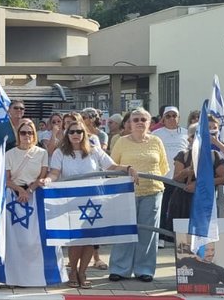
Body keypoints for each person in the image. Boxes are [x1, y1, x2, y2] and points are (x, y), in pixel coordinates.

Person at [45, 119, 135, 288]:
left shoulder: (94, 151)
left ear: (84, 134)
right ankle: (73, 271)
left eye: (79, 131)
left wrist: (128, 168)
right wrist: (48, 179)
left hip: (93, 201)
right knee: (76, 239)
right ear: (67, 134)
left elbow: (112, 166)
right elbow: (55, 172)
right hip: (71, 201)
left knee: (89, 238)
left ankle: (82, 271)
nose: (75, 135)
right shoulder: (60, 153)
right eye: (71, 132)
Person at [109, 108, 170, 282]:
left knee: (148, 233)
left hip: (152, 192)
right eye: (135, 120)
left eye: (143, 119)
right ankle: (119, 268)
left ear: (149, 123)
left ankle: (145, 269)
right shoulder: (121, 141)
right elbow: (112, 166)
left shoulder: (157, 141)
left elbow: (164, 167)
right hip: (126, 193)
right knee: (124, 231)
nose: (139, 123)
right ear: (129, 123)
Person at [153, 106, 188, 247]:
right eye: (168, 116)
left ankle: (176, 238)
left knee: (179, 208)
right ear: (163, 118)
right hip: (163, 177)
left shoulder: (186, 133)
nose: (172, 118)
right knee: (162, 207)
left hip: (181, 178)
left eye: (174, 115)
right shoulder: (156, 134)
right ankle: (161, 236)